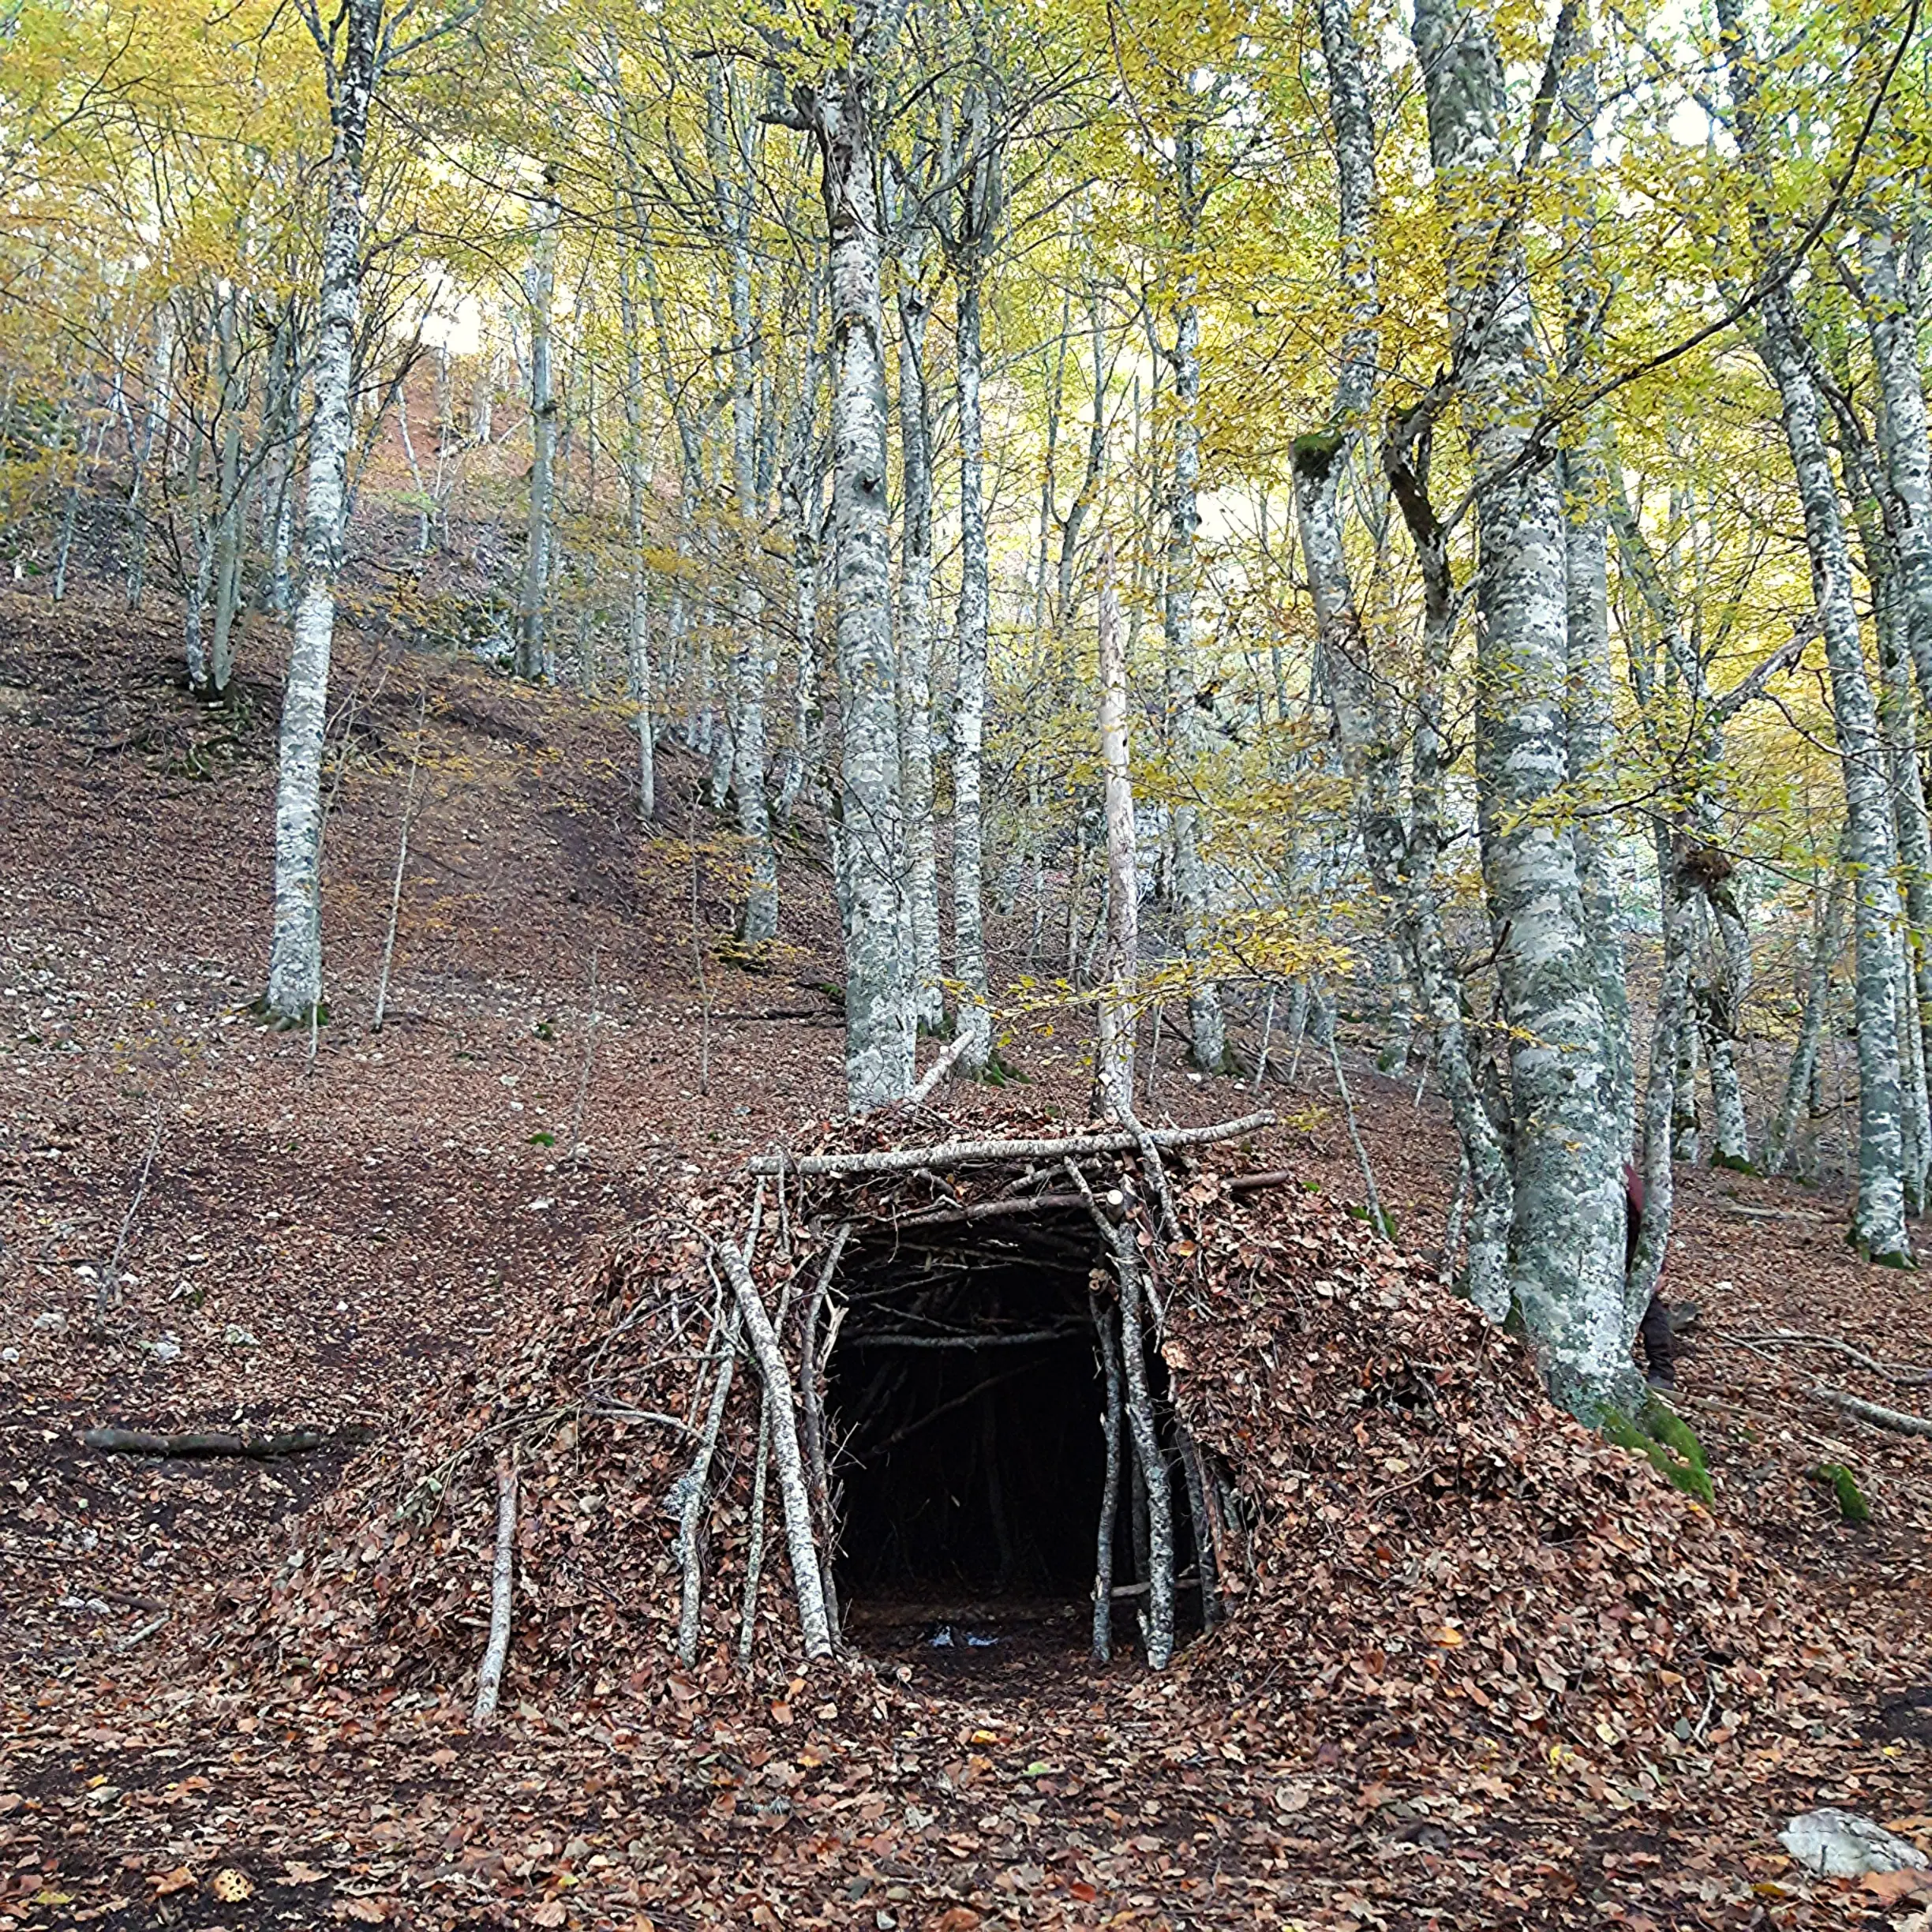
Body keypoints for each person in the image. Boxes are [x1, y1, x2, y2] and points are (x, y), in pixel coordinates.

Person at [1625, 1163, 1680, 1390]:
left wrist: (1658, 1268)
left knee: (1649, 1307)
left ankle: (1662, 1371)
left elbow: (1648, 1218)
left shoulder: (1620, 1172)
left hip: (1630, 1249)